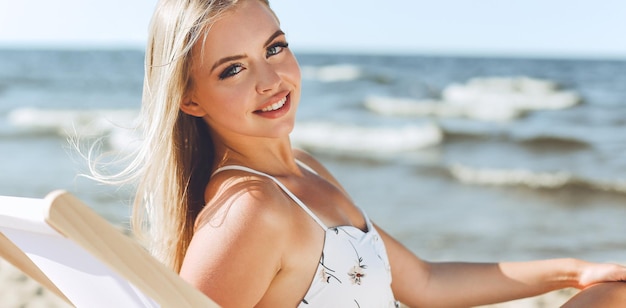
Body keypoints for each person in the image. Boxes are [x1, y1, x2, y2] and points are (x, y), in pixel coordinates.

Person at [93, 0, 626, 306]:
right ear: (188, 98)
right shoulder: (248, 211)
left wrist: (573, 271)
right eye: (232, 69)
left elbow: (424, 283)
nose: (271, 79)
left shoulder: (303, 169)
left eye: (274, 47)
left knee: (611, 293)